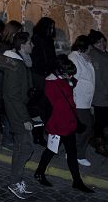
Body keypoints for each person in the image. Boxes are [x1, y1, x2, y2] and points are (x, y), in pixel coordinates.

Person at [32, 55, 93, 193]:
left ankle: (77, 181)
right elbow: (53, 105)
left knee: (71, 152)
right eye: (68, 73)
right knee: (51, 150)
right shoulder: (51, 84)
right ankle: (40, 172)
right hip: (58, 123)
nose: (71, 76)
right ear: (59, 71)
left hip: (68, 121)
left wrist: (69, 79)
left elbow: (72, 85)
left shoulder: (63, 79)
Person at [0, 31, 35, 199]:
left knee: (22, 146)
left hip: (17, 110)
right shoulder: (16, 65)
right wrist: (25, 118)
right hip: (17, 112)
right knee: (26, 146)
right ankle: (14, 181)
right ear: (22, 45)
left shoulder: (17, 62)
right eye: (30, 43)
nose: (32, 45)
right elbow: (12, 95)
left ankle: (16, 180)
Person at [68, 35, 96, 167]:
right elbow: (72, 81)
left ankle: (73, 151)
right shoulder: (74, 58)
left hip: (85, 101)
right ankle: (77, 154)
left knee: (83, 128)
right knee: (86, 128)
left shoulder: (84, 58)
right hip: (78, 100)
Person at [86, 29, 108, 158]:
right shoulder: (95, 56)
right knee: (100, 123)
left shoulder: (102, 54)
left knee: (102, 122)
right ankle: (99, 145)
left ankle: (96, 141)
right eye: (98, 42)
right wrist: (107, 93)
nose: (102, 44)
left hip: (106, 94)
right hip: (101, 96)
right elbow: (98, 78)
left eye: (103, 41)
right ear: (92, 44)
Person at [30, 17, 57, 91]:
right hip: (39, 72)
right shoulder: (37, 39)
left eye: (52, 28)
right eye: (50, 28)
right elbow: (38, 56)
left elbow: (52, 56)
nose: (52, 30)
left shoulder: (49, 41)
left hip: (47, 71)